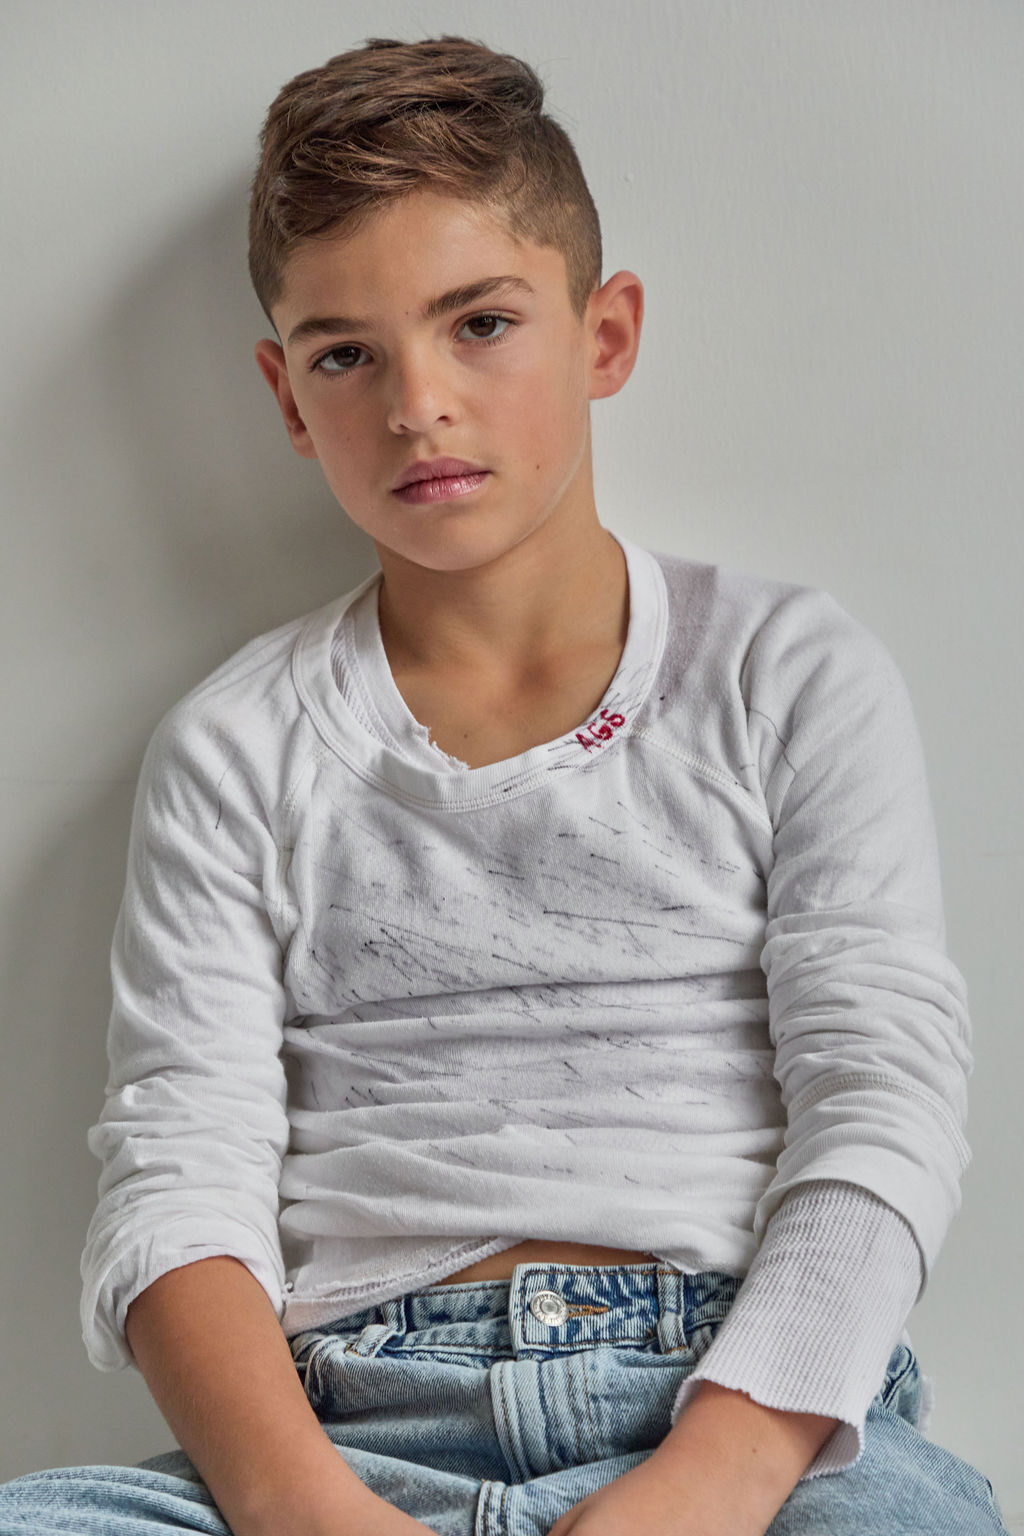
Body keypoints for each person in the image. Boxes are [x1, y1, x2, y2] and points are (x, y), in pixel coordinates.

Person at [0, 33, 1009, 1536]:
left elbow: (883, 1097)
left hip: (732, 1413)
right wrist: (302, 1508)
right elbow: (177, 1173)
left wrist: (717, 1478)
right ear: (288, 396)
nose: (418, 404)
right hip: (348, 1427)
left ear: (605, 335)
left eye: (480, 323)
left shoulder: (784, 672)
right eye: (346, 354)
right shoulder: (238, 746)